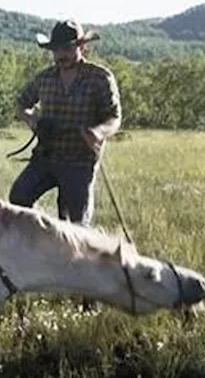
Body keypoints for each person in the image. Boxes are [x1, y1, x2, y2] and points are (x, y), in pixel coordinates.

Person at [10, 19, 122, 226]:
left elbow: (114, 117)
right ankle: (40, 241)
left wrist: (98, 132)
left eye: (67, 48)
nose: (60, 54)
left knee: (74, 222)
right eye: (56, 50)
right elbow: (21, 105)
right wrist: (33, 120)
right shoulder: (44, 78)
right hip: (45, 156)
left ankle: (71, 256)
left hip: (79, 160)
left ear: (81, 46)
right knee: (18, 198)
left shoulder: (99, 78)